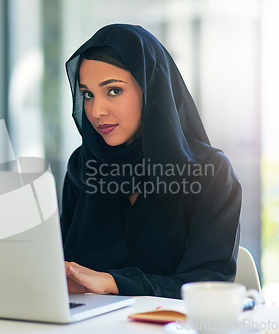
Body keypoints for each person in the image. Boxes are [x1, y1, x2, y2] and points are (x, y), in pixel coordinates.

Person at [60, 24, 241, 298]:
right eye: (87, 94)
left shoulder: (210, 174)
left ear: (151, 90)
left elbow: (208, 284)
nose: (96, 111)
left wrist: (114, 283)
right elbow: (57, 265)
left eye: (113, 91)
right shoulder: (83, 168)